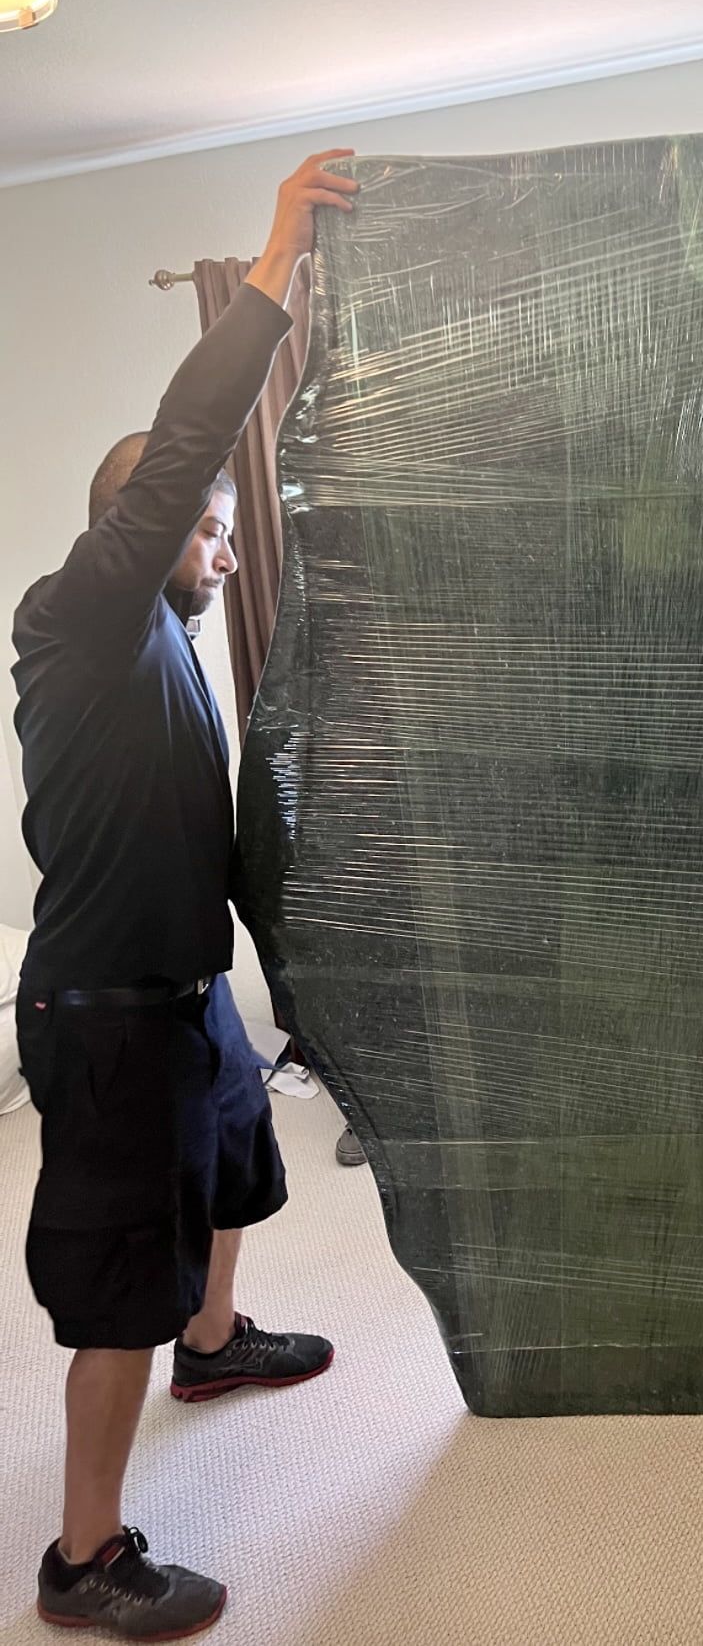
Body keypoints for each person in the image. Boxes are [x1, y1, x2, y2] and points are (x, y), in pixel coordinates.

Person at [10, 151, 360, 1639]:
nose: (212, 548)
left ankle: (211, 1344)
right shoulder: (81, 615)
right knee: (114, 1280)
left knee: (230, 1165)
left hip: (182, 987)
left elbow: (204, 836)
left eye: (222, 530)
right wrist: (278, 256)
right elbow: (187, 443)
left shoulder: (166, 661)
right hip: (101, 1011)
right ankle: (86, 1559)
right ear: (133, 531)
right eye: (192, 526)